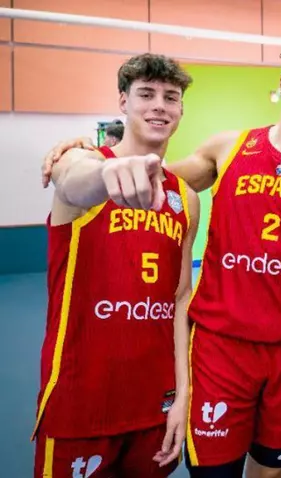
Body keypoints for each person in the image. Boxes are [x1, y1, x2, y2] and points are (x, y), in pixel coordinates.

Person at [41, 38, 281, 478]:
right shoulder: (229, 149)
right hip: (221, 348)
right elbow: (153, 177)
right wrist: (88, 159)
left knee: (270, 471)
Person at [33, 53, 199, 477]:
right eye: (146, 94)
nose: (159, 106)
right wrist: (108, 173)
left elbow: (181, 298)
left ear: (181, 109)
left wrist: (183, 394)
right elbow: (73, 179)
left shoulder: (186, 198)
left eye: (171, 97)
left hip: (154, 404)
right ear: (123, 101)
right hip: (80, 404)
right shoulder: (81, 162)